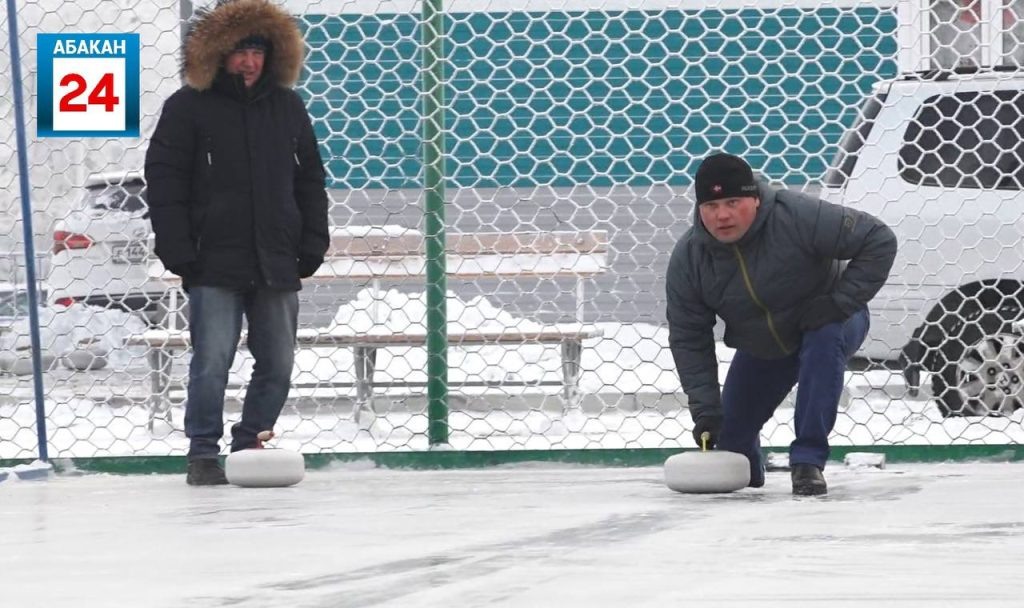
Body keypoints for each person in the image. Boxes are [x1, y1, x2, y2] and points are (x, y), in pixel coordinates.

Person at [145, 0, 330, 485]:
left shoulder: (287, 106)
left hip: (276, 259)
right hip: (213, 261)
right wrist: (178, 249)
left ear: (272, 55)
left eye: (258, 52)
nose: (249, 62)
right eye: (240, 52)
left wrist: (312, 241)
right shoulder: (187, 107)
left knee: (279, 362)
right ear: (218, 54)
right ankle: (203, 454)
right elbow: (164, 181)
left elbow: (310, 179)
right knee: (211, 361)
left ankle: (250, 443)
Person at [666, 153, 897, 496]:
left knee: (823, 340)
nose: (722, 215)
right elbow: (689, 339)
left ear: (755, 199)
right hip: (763, 344)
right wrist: (706, 411)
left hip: (828, 320)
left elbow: (878, 239)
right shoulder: (690, 258)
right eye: (711, 205)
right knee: (731, 445)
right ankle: (749, 466)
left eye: (733, 202)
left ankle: (807, 461)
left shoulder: (796, 215)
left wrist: (839, 302)